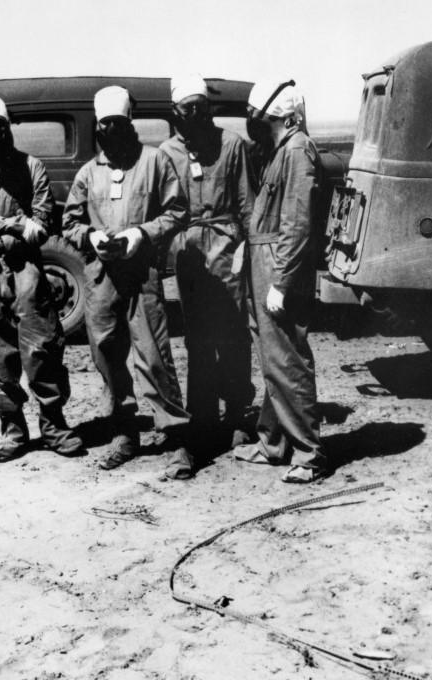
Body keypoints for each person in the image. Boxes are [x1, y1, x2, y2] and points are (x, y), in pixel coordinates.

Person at [61, 85, 194, 478]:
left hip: (142, 276)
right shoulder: (89, 173)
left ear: (129, 123)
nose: (111, 130)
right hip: (101, 279)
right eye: (105, 124)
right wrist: (91, 237)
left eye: (118, 123)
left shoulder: (154, 162)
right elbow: (69, 221)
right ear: (97, 127)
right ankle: (124, 433)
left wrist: (141, 234)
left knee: (153, 355)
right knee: (106, 354)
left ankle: (176, 437)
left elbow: (177, 212)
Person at [0, 96, 83, 463]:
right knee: (0, 355)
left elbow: (42, 224)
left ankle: (55, 426)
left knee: (42, 349)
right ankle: (13, 431)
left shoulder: (31, 168)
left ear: (9, 126)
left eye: (0, 123)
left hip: (27, 270)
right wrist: (12, 223)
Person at [234, 80, 328, 483]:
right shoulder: (281, 152)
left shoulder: (295, 150)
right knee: (272, 357)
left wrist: (282, 280)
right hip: (265, 261)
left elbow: (297, 222)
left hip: (278, 267)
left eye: (269, 121)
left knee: (287, 358)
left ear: (286, 119)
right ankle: (273, 442)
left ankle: (309, 453)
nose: (262, 127)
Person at [159, 74, 255, 453]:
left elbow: (247, 202)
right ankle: (202, 416)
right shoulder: (167, 154)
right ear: (176, 113)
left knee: (233, 332)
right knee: (198, 338)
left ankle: (236, 413)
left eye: (202, 107)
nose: (197, 115)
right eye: (188, 109)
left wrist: (249, 246)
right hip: (190, 253)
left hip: (228, 247)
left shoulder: (232, 144)